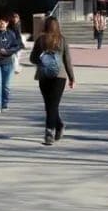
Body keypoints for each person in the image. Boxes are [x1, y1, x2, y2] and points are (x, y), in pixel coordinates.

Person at [29, 17, 76, 146]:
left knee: (50, 105)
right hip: (59, 76)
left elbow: (32, 58)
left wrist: (42, 60)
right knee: (52, 105)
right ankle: (59, 125)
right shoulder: (62, 40)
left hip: (43, 75)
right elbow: (67, 60)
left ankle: (49, 132)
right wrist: (72, 78)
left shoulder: (40, 40)